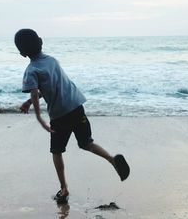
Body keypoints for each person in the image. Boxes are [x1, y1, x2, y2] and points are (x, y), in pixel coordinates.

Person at [15, 28, 129, 204]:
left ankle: (64, 189)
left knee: (56, 151)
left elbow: (36, 93)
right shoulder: (52, 61)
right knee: (87, 143)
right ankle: (112, 159)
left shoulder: (31, 71)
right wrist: (29, 103)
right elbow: (51, 87)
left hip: (60, 116)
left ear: (22, 53)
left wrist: (39, 118)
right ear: (41, 41)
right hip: (77, 107)